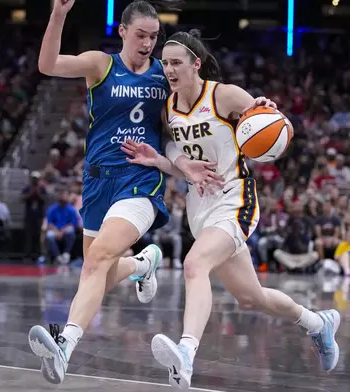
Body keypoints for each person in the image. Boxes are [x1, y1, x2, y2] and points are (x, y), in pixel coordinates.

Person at [121, 29, 341, 389]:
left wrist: (271, 114)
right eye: (165, 64)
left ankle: (186, 354)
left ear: (196, 63)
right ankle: (319, 324)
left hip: (235, 197)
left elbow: (276, 128)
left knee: (195, 264)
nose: (169, 70)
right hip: (199, 207)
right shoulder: (168, 107)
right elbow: (177, 157)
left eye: (176, 63)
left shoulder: (224, 95)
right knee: (250, 297)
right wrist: (162, 161)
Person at [26, 0, 218, 385]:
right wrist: (59, 15)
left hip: (140, 181)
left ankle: (65, 344)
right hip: (98, 182)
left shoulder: (165, 79)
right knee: (98, 271)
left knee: (96, 259)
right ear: (124, 32)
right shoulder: (101, 65)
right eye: (142, 35)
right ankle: (142, 265)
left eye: (154, 36)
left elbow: (191, 114)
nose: (148, 43)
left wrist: (183, 165)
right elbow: (47, 66)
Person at [44, 190, 80, 264]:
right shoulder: (52, 209)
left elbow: (73, 224)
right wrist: (57, 231)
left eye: (66, 196)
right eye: (62, 195)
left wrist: (62, 231)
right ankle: (58, 256)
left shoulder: (71, 209)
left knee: (70, 231)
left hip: (65, 230)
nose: (64, 197)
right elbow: (49, 223)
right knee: (49, 235)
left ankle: (66, 253)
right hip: (55, 230)